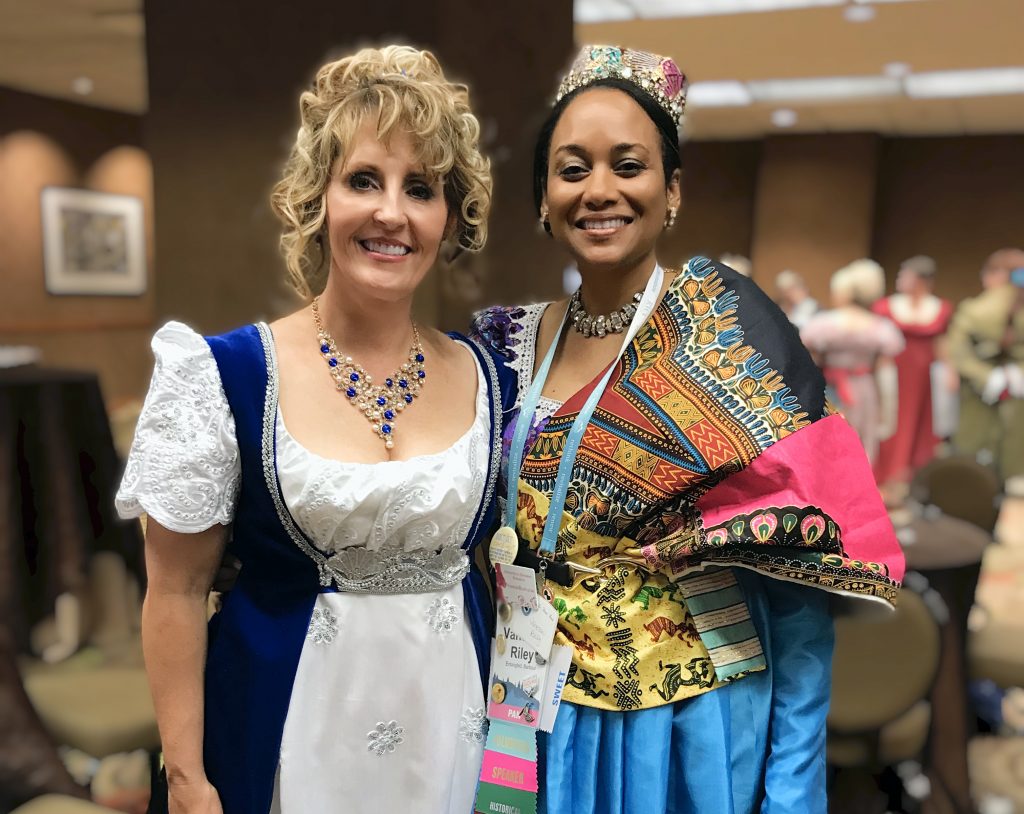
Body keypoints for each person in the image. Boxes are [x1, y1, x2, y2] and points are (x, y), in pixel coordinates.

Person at [472, 45, 903, 814]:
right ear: (542, 197)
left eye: (628, 165)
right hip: (534, 708)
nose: (599, 191)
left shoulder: (730, 334)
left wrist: (794, 789)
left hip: (686, 724)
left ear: (671, 190)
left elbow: (799, 585)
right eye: (573, 170)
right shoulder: (508, 347)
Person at [115, 46, 501, 814]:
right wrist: (188, 780)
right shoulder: (222, 374)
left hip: (453, 725)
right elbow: (177, 590)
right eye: (364, 180)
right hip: (288, 729)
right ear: (318, 198)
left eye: (419, 189)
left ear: (446, 218)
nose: (391, 212)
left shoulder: (491, 375)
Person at [800, 259, 905, 464]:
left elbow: (809, 364)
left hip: (829, 389)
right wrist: (889, 413)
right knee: (861, 445)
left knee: (825, 444)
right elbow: (886, 375)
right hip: (864, 390)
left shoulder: (822, 325)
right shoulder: (880, 328)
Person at [871, 255, 954, 485]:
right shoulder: (887, 306)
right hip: (893, 373)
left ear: (920, 280)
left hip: (925, 376)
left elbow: (941, 343)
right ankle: (887, 477)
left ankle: (913, 478)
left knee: (922, 424)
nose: (900, 279)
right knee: (892, 420)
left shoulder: (940, 308)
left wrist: (949, 370)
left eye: (905, 275)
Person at [948, 248, 1024, 486]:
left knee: (971, 464)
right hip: (1017, 400)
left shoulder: (974, 310)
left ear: (997, 275)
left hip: (977, 398)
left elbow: (958, 355)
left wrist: (989, 377)